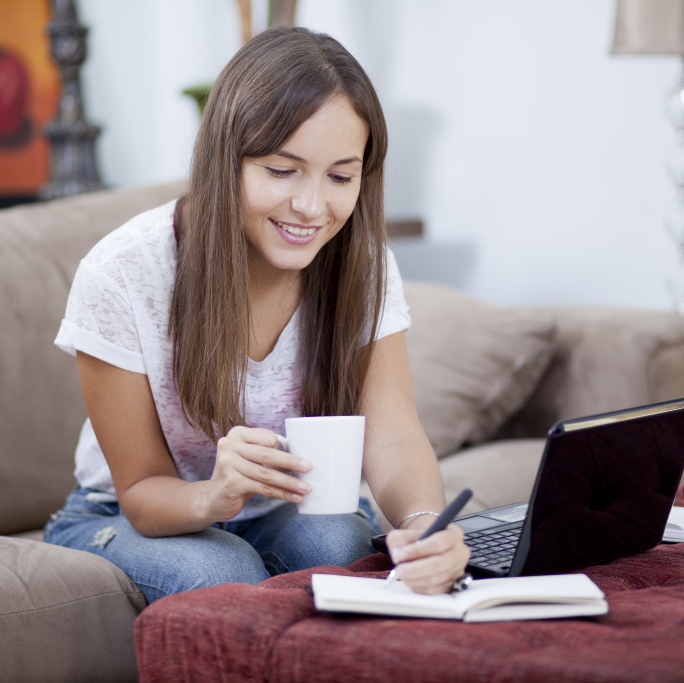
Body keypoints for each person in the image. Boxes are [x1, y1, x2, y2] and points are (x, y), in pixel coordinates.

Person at [44, 25, 470, 603]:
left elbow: (393, 435)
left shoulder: (362, 263)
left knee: (342, 545)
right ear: (227, 158)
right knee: (222, 574)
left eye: (341, 176)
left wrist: (423, 523)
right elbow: (141, 490)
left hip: (283, 508)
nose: (312, 206)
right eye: (281, 170)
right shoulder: (123, 274)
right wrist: (212, 497)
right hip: (129, 513)